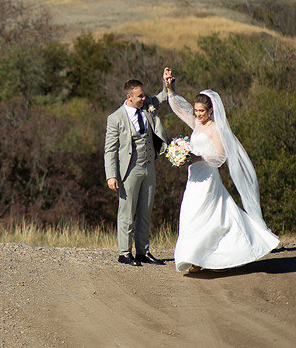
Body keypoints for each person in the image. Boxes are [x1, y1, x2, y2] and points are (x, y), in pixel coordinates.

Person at [164, 73, 279, 273]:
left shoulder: (216, 129)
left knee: (206, 216)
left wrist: (197, 157)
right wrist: (170, 90)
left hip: (208, 177)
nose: (198, 114)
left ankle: (201, 259)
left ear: (210, 110)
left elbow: (220, 156)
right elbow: (180, 110)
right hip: (194, 178)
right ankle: (196, 258)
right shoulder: (197, 124)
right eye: (197, 110)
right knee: (190, 215)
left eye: (201, 111)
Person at [104, 68, 172, 266]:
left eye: (144, 94)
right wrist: (111, 176)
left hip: (149, 165)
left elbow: (163, 96)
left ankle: (143, 251)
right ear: (129, 97)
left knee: (145, 210)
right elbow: (110, 150)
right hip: (129, 170)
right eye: (140, 95)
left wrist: (167, 83)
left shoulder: (148, 105)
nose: (144, 98)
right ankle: (125, 253)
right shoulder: (115, 118)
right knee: (127, 212)